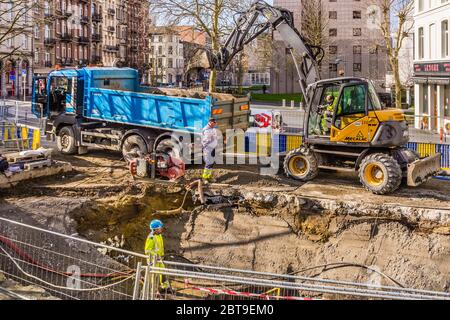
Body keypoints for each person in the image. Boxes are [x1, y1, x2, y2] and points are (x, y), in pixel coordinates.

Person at [145, 219, 169, 290]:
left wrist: (162, 256)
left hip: (159, 259)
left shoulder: (159, 236)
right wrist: (155, 255)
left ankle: (165, 287)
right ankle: (154, 290)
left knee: (163, 272)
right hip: (153, 260)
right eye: (160, 228)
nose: (161, 229)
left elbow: (160, 247)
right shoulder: (151, 238)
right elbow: (147, 250)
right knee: (154, 275)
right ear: (155, 229)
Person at [201, 118, 218, 183]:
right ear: (210, 122)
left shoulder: (212, 128)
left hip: (212, 148)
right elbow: (206, 141)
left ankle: (209, 176)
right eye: (214, 123)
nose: (215, 124)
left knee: (211, 163)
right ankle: (204, 178)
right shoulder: (206, 130)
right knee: (208, 163)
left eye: (215, 123)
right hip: (208, 149)